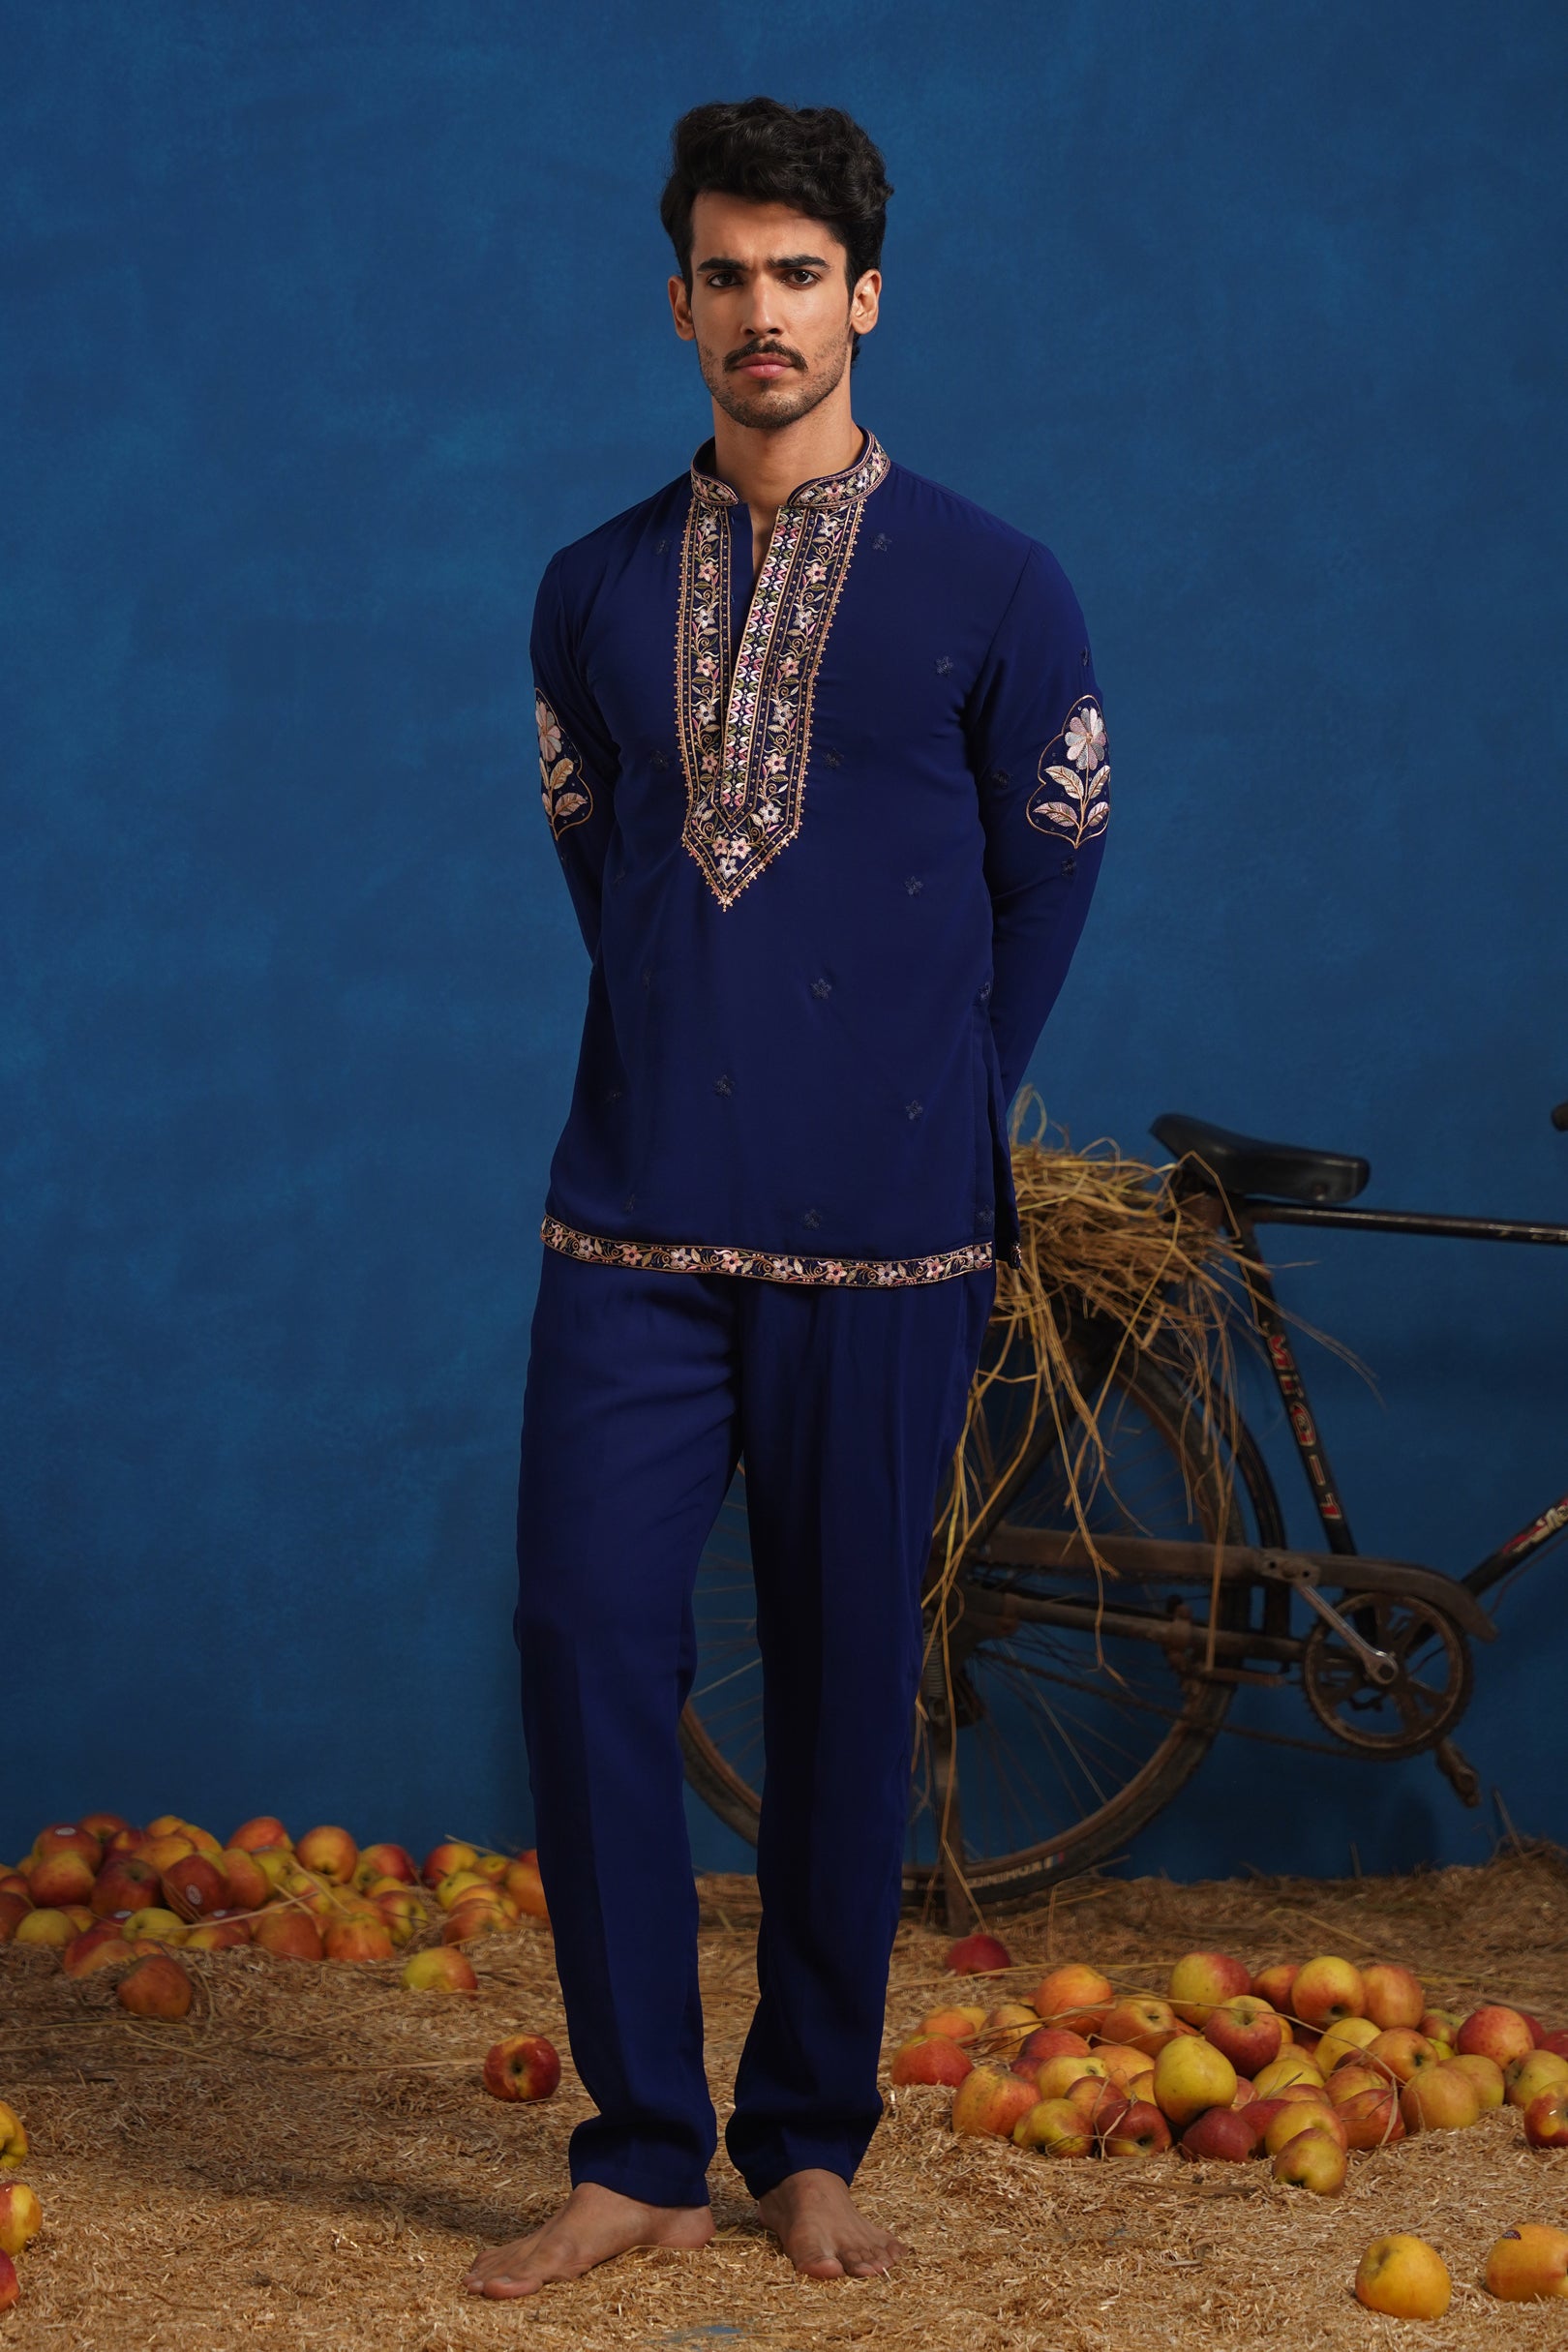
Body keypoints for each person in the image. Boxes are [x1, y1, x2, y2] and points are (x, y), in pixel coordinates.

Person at [466, 93, 1109, 2300]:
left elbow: (1049, 876)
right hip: (634, 1221)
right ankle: (643, 2143)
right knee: (582, 1635)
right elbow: (610, 871)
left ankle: (806, 2138)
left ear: (867, 299)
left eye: (801, 275)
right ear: (679, 303)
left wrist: (930, 1100)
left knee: (846, 1677)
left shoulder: (998, 584)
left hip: (892, 1234)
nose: (765, 311)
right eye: (727, 275)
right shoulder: (589, 591)